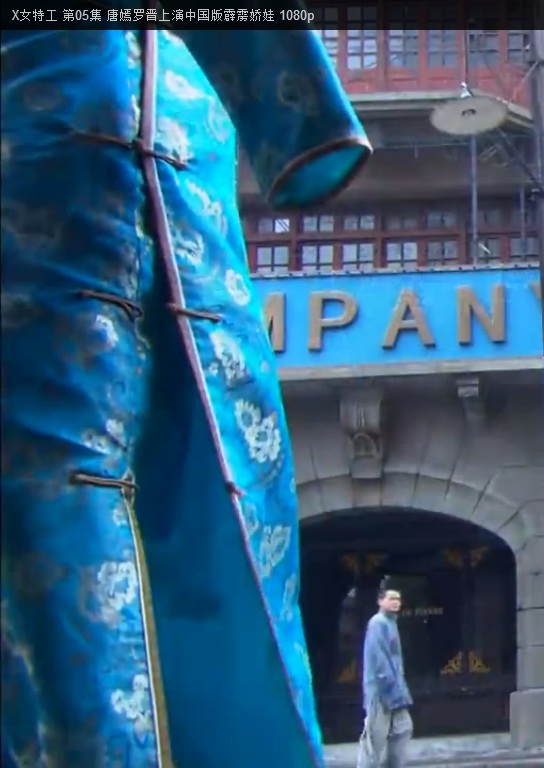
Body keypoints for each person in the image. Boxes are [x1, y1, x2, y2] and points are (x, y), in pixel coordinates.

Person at [1, 25, 369, 767]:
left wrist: (294, 114)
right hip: (42, 149)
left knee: (224, 501)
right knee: (56, 522)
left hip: (181, 174)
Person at [358, 587, 414, 768]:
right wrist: (389, 687)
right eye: (391, 598)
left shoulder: (391, 623)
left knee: (403, 729)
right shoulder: (378, 623)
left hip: (395, 689)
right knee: (374, 739)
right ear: (380, 601)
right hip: (381, 691)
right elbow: (379, 659)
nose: (396, 602)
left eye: (398, 599)